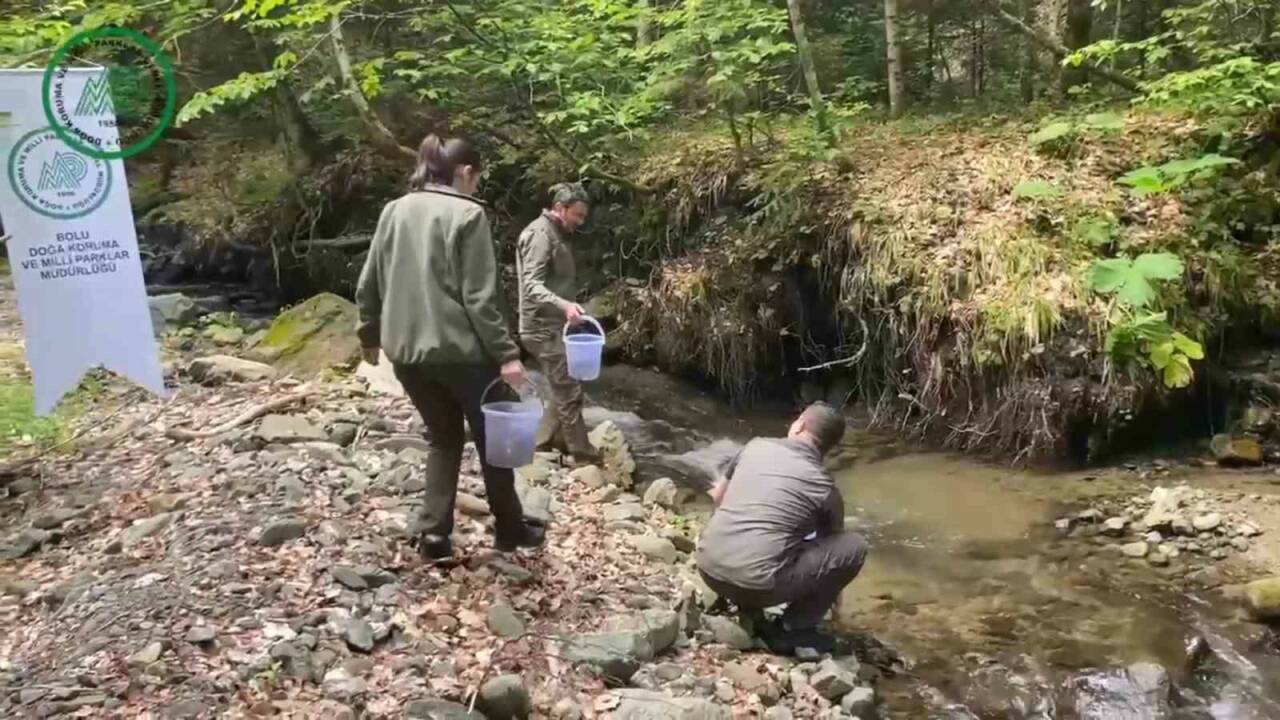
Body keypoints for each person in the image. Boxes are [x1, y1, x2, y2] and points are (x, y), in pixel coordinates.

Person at [355, 133, 544, 563]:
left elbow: (369, 283)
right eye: (477, 178)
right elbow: (480, 298)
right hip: (463, 355)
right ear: (465, 172)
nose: (476, 186)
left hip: (407, 355)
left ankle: (433, 534)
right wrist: (507, 354)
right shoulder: (467, 214)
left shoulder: (394, 210)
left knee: (442, 438)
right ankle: (510, 529)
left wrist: (368, 336)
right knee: (495, 440)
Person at [696, 402, 867, 654]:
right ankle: (792, 628)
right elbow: (834, 549)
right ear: (828, 447)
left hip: (707, 568)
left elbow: (718, 496)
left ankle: (738, 597)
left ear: (799, 426)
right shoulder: (824, 486)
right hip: (757, 586)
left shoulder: (755, 446)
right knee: (855, 546)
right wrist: (832, 595)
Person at [515, 181, 601, 466]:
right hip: (541, 328)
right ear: (559, 208)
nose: (580, 221)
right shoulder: (541, 234)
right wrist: (564, 305)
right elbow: (532, 285)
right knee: (568, 389)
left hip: (554, 326)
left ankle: (545, 440)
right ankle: (583, 455)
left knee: (566, 382)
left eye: (583, 216)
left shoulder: (556, 233)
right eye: (577, 215)